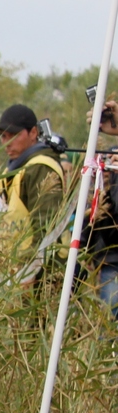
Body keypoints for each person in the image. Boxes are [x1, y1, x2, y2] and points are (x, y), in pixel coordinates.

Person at [0, 103, 67, 237]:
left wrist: (33, 258)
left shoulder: (41, 168)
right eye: (3, 136)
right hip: (13, 255)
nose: (7, 143)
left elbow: (45, 229)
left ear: (33, 133)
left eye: (13, 135)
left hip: (32, 257)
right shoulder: (12, 169)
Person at [81, 96, 118, 316]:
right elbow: (93, 218)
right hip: (111, 260)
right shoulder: (106, 182)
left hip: (111, 260)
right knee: (110, 336)